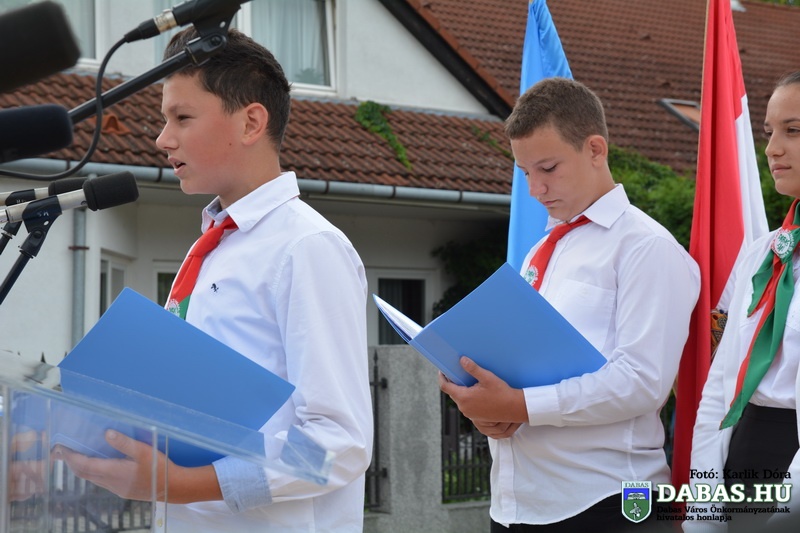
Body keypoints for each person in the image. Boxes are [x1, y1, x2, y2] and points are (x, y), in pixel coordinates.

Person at [53, 27, 373, 532]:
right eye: (165, 120)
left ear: (251, 122)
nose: (163, 139)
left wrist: (183, 484)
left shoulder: (307, 247)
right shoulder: (212, 244)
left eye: (182, 118)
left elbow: (340, 444)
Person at [439, 77, 700, 532]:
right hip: (516, 503)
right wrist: (493, 410)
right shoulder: (541, 248)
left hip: (607, 502)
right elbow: (524, 367)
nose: (535, 189)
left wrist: (520, 405)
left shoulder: (646, 247)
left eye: (548, 168)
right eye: (525, 173)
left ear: (595, 149)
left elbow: (641, 382)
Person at [684, 72, 800, 532]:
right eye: (769, 132)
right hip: (742, 453)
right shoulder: (760, 253)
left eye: (794, 130)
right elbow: (720, 385)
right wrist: (703, 515)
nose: (772, 149)